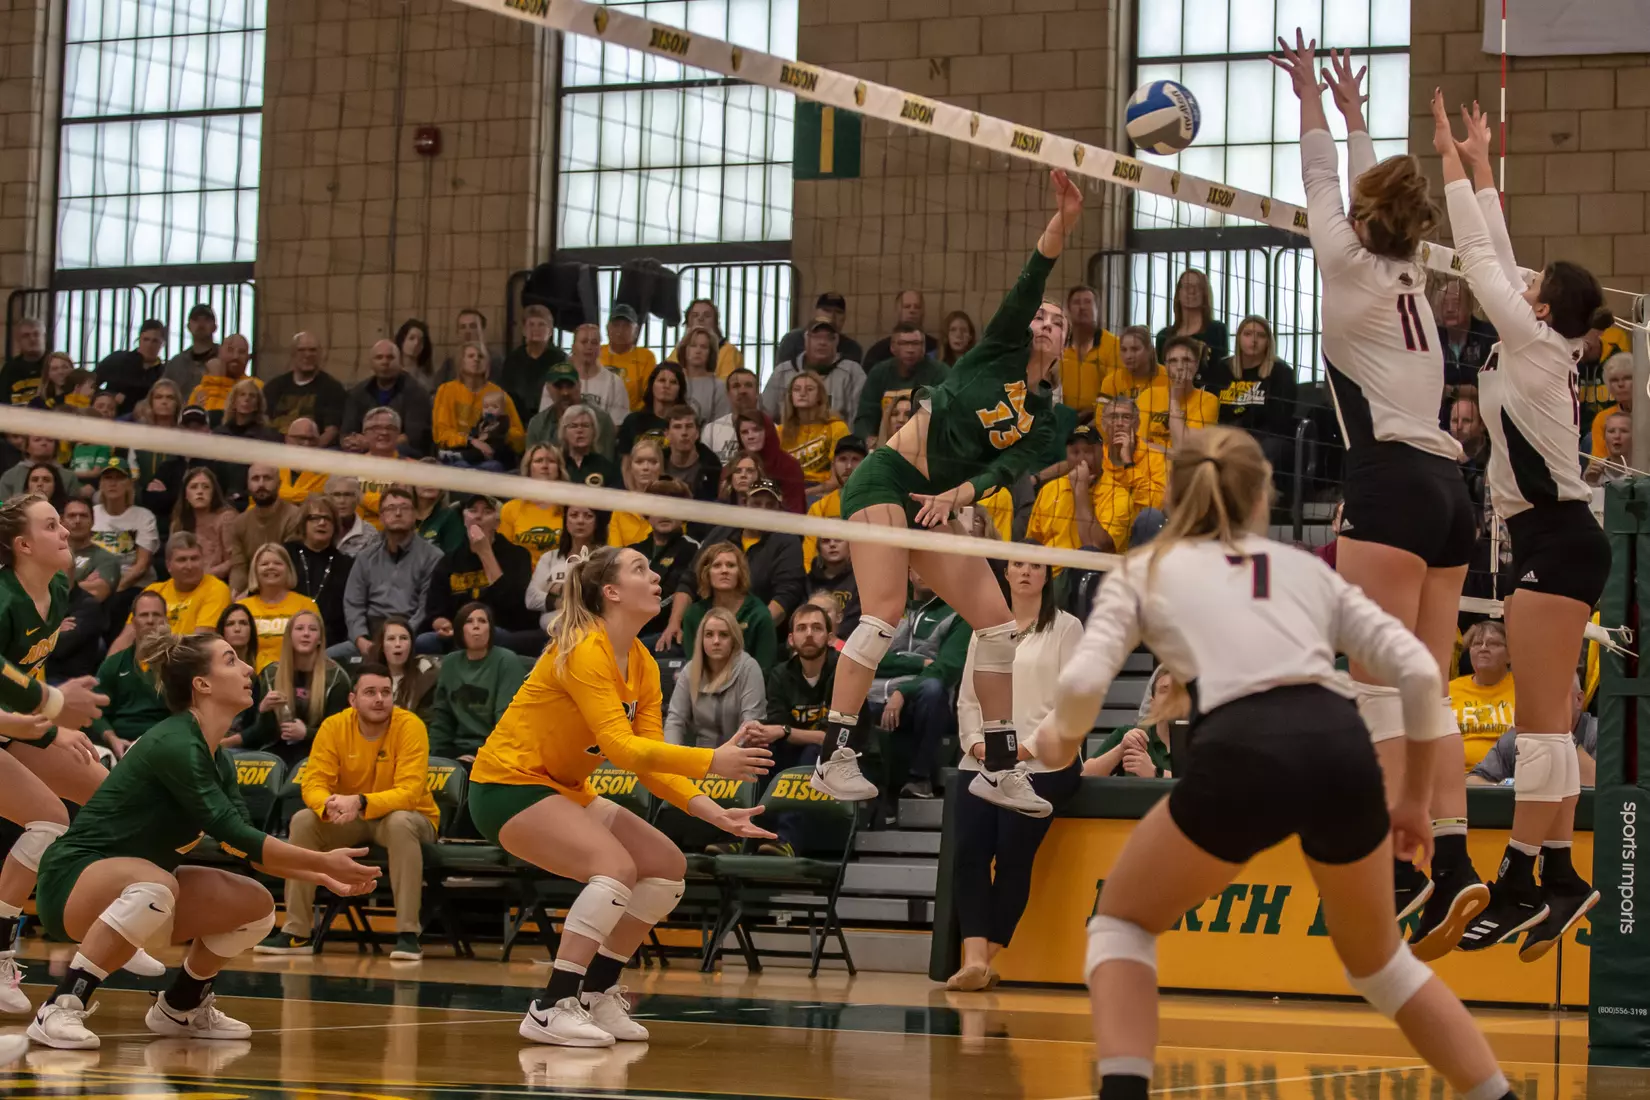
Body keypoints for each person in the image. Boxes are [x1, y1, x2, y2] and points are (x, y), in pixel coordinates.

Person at [1026, 424, 1520, 1100]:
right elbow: (1416, 668)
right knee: (1380, 964)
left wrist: (1050, 746)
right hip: (1340, 745)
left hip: (1244, 745)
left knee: (1122, 922)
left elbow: (1083, 688)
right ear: (1263, 498)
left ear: (1173, 497)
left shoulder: (1146, 569)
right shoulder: (1301, 568)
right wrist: (1409, 800)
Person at [1276, 35, 1482, 948]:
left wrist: (1315, 107)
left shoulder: (1348, 265)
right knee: (1427, 688)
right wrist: (1358, 117)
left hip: (1392, 488)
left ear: (1366, 221)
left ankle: (1402, 863)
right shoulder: (1410, 268)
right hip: (1450, 491)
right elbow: (1361, 189)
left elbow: (1327, 185)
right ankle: (1458, 862)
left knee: (1379, 689)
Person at [813, 170, 1080, 806]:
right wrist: (1065, 219)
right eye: (1041, 316)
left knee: (995, 626)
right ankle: (834, 754)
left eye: (1057, 322)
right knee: (882, 612)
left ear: (1067, 345)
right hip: (888, 477)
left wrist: (956, 500)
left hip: (936, 501)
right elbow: (1030, 277)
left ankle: (999, 765)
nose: (1044, 320)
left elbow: (1001, 474)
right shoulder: (997, 350)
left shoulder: (1046, 422)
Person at [1433, 92, 1613, 956]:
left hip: (1555, 539)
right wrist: (1481, 160)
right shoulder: (1549, 339)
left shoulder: (1535, 346)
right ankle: (1554, 879)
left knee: (1543, 727)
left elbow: (1476, 258)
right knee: (1546, 723)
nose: (1524, 283)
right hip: (1554, 540)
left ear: (1545, 310)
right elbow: (1500, 257)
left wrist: (1445, 162)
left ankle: (1521, 878)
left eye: (1535, 286)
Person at [466, 544, 775, 1046]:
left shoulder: (644, 662)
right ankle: (550, 1005)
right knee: (616, 868)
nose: (656, 576)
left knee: (666, 868)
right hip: (505, 786)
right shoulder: (584, 648)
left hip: (562, 787)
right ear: (611, 592)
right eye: (641, 569)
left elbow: (649, 762)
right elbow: (620, 749)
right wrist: (711, 762)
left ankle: (596, 995)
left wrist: (716, 813)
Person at [25, 630, 379, 1050]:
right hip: (71, 882)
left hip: (143, 893)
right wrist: (321, 862)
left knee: (256, 907)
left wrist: (322, 875)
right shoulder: (175, 742)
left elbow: (247, 848)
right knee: (158, 883)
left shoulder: (218, 758)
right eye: (231, 660)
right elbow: (233, 832)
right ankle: (60, 1006)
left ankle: (181, 1006)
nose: (248, 669)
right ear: (202, 684)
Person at [0, 495, 149, 1016]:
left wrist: (49, 728)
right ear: (22, 545)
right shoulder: (2, 599)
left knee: (115, 800)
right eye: (51, 525)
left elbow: (28, 676)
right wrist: (51, 713)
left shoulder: (59, 587)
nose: (66, 531)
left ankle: (116, 925)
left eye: (63, 521)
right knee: (48, 819)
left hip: (15, 722)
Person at [947, 551, 1084, 990]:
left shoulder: (1067, 628)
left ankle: (983, 960)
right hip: (983, 758)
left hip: (1045, 761)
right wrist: (976, 743)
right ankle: (973, 957)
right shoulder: (984, 628)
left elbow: (1072, 702)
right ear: (1005, 572)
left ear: (1048, 574)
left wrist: (1022, 750)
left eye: (1036, 565)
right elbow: (968, 697)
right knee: (968, 851)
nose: (1026, 572)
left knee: (1011, 854)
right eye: (1019, 565)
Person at [255, 664, 439, 961]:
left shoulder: (410, 725)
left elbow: (410, 791)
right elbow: (313, 782)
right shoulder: (333, 727)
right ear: (353, 700)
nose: (380, 699)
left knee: (399, 822)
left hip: (412, 817)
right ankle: (296, 932)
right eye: (370, 692)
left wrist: (361, 802)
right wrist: (328, 805)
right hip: (352, 819)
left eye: (385, 692)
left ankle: (408, 934)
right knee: (304, 820)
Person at [736, 603, 850, 855]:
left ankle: (786, 840)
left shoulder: (845, 673)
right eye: (801, 628)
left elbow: (833, 737)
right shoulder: (779, 674)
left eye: (817, 628)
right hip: (797, 754)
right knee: (760, 751)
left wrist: (785, 732)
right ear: (790, 639)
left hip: (847, 760)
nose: (809, 634)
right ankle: (744, 834)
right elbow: (775, 729)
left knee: (813, 751)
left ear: (830, 638)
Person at [661, 481, 804, 651]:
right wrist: (674, 623)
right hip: (706, 629)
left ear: (779, 510)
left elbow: (786, 596)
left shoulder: (788, 542)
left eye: (770, 505)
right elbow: (690, 580)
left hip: (756, 637)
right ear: (744, 505)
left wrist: (749, 632)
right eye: (756, 504)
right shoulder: (722, 532)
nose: (763, 510)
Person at [875, 572, 969, 801]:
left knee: (933, 689)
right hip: (875, 694)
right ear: (907, 570)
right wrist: (919, 662)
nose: (925, 571)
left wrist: (902, 692)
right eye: (918, 565)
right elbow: (867, 656)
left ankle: (919, 779)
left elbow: (947, 668)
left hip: (922, 700)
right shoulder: (887, 606)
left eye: (931, 565)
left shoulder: (958, 614)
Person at [422, 495, 539, 655]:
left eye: (487, 511)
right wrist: (442, 624)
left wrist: (485, 553)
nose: (478, 516)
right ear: (464, 520)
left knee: (491, 636)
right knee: (422, 643)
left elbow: (515, 606)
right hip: (459, 632)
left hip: (503, 629)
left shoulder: (517, 555)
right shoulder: (449, 562)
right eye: (473, 510)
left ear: (497, 523)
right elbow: (435, 610)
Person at [238, 608, 352, 766]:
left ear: (320, 639)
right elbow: (263, 735)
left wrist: (307, 733)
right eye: (299, 629)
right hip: (275, 754)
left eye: (312, 629)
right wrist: (264, 711)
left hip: (319, 754)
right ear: (289, 637)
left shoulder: (336, 678)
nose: (306, 634)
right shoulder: (271, 674)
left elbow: (341, 733)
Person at [1469, 674, 1596, 789]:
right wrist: (1506, 788)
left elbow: (1600, 789)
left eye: (1555, 694)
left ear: (1578, 700)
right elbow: (1472, 781)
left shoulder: (1599, 734)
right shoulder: (1518, 736)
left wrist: (1561, 736)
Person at [664, 608, 766, 748]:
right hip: (701, 756)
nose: (716, 641)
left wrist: (724, 756)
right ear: (701, 639)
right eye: (709, 635)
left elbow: (751, 723)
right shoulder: (690, 671)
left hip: (741, 753)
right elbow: (675, 720)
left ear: (733, 640)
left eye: (724, 635)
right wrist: (673, 754)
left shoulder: (749, 668)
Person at [88, 590, 172, 759]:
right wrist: (112, 739)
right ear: (133, 622)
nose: (150, 620)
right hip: (118, 745)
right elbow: (95, 711)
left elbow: (189, 713)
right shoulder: (114, 664)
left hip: (164, 744)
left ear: (165, 621)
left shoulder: (180, 664)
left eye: (156, 615)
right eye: (144, 615)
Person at [111, 532, 232, 649]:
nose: (189, 566)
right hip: (145, 664)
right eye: (182, 560)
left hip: (185, 664)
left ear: (203, 561)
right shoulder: (154, 591)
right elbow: (126, 638)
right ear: (169, 565)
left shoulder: (216, 589)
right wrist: (106, 668)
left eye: (194, 559)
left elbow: (199, 642)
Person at [677, 542, 780, 671]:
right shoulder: (694, 614)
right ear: (706, 572)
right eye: (717, 565)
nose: (724, 570)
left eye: (731, 565)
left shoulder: (759, 614)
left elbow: (765, 669)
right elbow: (694, 667)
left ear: (740, 572)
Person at [51, 497, 119, 679]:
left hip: (85, 634)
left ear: (93, 520)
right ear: (61, 520)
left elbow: (98, 592)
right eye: (72, 515)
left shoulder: (106, 558)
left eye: (83, 515)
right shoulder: (47, 553)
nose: (77, 520)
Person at [91, 456, 161, 635]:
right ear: (100, 483)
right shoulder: (90, 514)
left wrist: (110, 589)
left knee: (117, 604)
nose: (113, 483)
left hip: (131, 585)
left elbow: (141, 566)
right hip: (95, 583)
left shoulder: (144, 517)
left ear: (129, 484)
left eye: (119, 478)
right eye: (108, 478)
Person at [1212, 316, 1299, 459]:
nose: (1254, 340)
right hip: (1226, 435)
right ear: (1238, 338)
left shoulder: (1281, 372)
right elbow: (1213, 408)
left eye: (1261, 335)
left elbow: (1279, 420)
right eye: (1247, 334)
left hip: (1265, 438)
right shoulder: (1222, 369)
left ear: (1268, 342)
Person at [1083, 666, 1184, 779]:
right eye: (1164, 690)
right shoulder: (1127, 734)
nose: (1170, 697)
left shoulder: (1198, 743)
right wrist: (1121, 749)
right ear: (1152, 703)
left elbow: (1202, 787)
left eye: (1177, 692)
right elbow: (1084, 775)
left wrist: (1154, 773)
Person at [763, 314, 865, 424]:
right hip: (791, 438)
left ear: (836, 341)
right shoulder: (782, 372)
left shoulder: (852, 372)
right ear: (806, 339)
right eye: (816, 337)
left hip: (835, 438)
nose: (822, 342)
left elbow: (859, 419)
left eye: (829, 338)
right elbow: (765, 416)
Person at [628, 481, 699, 637]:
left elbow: (676, 594)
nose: (665, 514)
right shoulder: (631, 551)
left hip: (668, 633)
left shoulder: (692, 549)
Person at [433, 342, 526, 462]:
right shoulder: (446, 391)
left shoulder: (500, 395)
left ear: (488, 363)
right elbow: (441, 433)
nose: (476, 359)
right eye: (471, 356)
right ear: (461, 362)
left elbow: (519, 440)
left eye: (481, 356)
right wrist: (470, 441)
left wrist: (499, 432)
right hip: (457, 453)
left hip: (491, 456)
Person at [853, 323, 948, 439]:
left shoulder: (940, 373)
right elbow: (865, 417)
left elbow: (945, 418)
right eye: (904, 343)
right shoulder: (879, 373)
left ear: (924, 347)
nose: (910, 350)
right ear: (892, 347)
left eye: (916, 344)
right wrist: (868, 439)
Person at [341, 339, 433, 456]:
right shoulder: (358, 393)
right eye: (379, 357)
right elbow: (347, 433)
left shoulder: (416, 392)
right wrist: (351, 442)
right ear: (371, 363)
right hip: (364, 452)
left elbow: (414, 437)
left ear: (400, 362)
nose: (385, 362)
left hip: (403, 453)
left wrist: (371, 443)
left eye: (390, 357)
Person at [241, 543, 322, 672]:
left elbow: (317, 648)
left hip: (294, 675)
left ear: (288, 569)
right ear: (255, 570)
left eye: (277, 563)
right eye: (264, 564)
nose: (271, 567)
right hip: (251, 677)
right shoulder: (242, 607)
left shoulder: (306, 605)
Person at [1448, 620, 1517, 773]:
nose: (1483, 648)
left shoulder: (1523, 690)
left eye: (1493, 644)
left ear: (1509, 656)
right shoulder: (1450, 690)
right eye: (1477, 644)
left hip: (1508, 780)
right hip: (1456, 778)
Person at [286, 496, 355, 648]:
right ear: (303, 523)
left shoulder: (346, 563)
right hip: (288, 633)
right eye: (314, 518)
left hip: (332, 639)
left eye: (327, 518)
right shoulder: (286, 555)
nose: (322, 523)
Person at [529, 506, 610, 629]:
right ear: (566, 521)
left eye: (588, 516)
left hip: (592, 629)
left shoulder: (606, 558)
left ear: (597, 522)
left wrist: (557, 589)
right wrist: (560, 602)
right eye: (574, 515)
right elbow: (531, 598)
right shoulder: (550, 557)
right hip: (550, 633)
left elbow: (600, 599)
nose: (580, 521)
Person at [263, 332, 348, 445]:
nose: (307, 354)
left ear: (320, 354)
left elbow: (331, 431)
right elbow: (263, 422)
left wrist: (310, 454)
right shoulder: (274, 386)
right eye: (301, 350)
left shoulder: (332, 388)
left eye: (312, 350)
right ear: (292, 353)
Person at [1136, 336, 1219, 451]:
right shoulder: (1148, 395)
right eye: (1173, 361)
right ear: (1165, 366)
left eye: (1186, 360)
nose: (1180, 367)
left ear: (1196, 364)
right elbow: (1138, 446)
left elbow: (1185, 449)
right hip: (1148, 467)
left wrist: (1174, 400)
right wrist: (1172, 452)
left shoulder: (1208, 400)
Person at [228, 465, 301, 593]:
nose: (261, 484)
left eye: (267, 478)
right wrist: (235, 595)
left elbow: (291, 567)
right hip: (251, 593)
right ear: (248, 485)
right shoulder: (239, 522)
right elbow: (239, 567)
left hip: (287, 591)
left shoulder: (295, 516)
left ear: (279, 484)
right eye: (255, 479)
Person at [525, 362, 618, 458]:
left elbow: (607, 463)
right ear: (548, 388)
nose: (565, 392)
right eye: (558, 387)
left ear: (579, 385)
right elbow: (530, 465)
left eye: (570, 386)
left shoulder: (601, 420)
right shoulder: (538, 424)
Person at [802, 435, 869, 569]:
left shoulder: (878, 504)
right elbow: (808, 560)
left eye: (855, 459)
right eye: (842, 459)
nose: (848, 466)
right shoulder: (819, 508)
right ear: (833, 465)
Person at [779, 371, 851, 488]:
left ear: (819, 396)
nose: (802, 393)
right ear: (790, 397)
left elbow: (838, 479)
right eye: (797, 389)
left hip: (822, 489)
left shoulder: (836, 427)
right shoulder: (781, 431)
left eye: (809, 389)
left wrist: (806, 493)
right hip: (788, 488)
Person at [500, 444, 567, 569]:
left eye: (551, 461)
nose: (545, 466)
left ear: (559, 469)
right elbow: (504, 554)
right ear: (529, 468)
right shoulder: (510, 509)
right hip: (523, 579)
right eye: (538, 461)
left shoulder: (570, 509)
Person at [500, 304, 568, 426]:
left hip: (550, 422)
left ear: (551, 331)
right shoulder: (513, 359)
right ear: (524, 330)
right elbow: (506, 393)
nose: (535, 329)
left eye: (541, 324)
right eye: (531, 324)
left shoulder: (560, 360)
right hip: (516, 421)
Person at [170, 466, 237, 582]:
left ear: (213, 493)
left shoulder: (226, 518)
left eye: (206, 487)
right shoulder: (178, 522)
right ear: (186, 495)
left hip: (219, 584)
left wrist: (203, 576)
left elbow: (234, 561)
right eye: (194, 487)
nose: (200, 491)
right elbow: (173, 561)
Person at [1059, 288, 1119, 415]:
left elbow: (1116, 389)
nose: (1082, 307)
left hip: (1103, 416)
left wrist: (1093, 411)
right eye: (1076, 302)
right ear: (1068, 311)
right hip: (1063, 418)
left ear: (1098, 310)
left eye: (1087, 302)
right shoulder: (1058, 345)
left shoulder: (1114, 344)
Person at [1434, 277, 1499, 394]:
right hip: (1438, 408)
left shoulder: (1488, 335)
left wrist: (1452, 391)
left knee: (1464, 408)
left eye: (1456, 303)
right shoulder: (1432, 336)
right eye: (1444, 304)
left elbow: (1490, 387)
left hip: (1478, 408)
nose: (1449, 309)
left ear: (1469, 307)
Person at [1153, 269, 1229, 369]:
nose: (1192, 291)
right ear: (1178, 293)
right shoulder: (1163, 336)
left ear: (1205, 293)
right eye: (1187, 286)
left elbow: (1221, 373)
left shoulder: (1218, 330)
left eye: (1198, 287)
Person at [366, 616, 441, 714]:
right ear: (382, 646)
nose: (397, 644)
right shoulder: (368, 676)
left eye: (403, 638)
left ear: (411, 645)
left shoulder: (425, 673)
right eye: (391, 638)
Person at [94, 319, 166, 412]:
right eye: (146, 339)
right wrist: (110, 395)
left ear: (162, 343)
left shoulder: (164, 372)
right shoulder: (117, 360)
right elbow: (90, 384)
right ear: (139, 339)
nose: (149, 345)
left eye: (155, 341)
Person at [617, 363, 687, 457]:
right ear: (652, 385)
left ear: (680, 389)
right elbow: (624, 461)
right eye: (662, 380)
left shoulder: (684, 424)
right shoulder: (633, 421)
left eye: (673, 382)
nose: (666, 386)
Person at [569, 323, 631, 428]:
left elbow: (617, 426)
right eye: (584, 342)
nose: (589, 347)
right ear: (573, 347)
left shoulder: (614, 383)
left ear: (600, 349)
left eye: (594, 343)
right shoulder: (558, 380)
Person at [776, 291, 864, 365]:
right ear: (815, 313)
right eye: (827, 310)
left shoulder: (852, 348)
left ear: (844, 318)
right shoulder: (792, 341)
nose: (832, 316)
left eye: (838, 312)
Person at [670, 326, 733, 424]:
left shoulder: (719, 387)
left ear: (710, 353)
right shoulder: (672, 381)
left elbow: (721, 426)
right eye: (693, 345)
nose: (698, 351)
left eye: (704, 347)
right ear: (684, 350)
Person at [601, 303, 658, 412]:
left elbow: (650, 395)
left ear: (636, 331)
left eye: (626, 325)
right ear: (607, 329)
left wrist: (631, 418)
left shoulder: (646, 357)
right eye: (616, 325)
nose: (620, 330)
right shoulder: (596, 352)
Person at [701, 367, 765, 463]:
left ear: (757, 393)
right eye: (736, 386)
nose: (742, 391)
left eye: (748, 385)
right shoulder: (711, 430)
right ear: (728, 393)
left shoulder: (771, 429)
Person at [609, 438, 664, 548]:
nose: (646, 467)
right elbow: (614, 554)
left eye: (653, 462)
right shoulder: (620, 509)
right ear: (631, 468)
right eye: (639, 462)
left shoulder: (672, 504)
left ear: (661, 468)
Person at [661, 404, 722, 501]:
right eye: (677, 427)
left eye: (689, 426)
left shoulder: (712, 469)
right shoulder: (658, 464)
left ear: (697, 433)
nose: (684, 432)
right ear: (667, 434)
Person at [863, 290, 939, 366]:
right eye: (906, 307)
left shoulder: (936, 348)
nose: (912, 310)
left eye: (917, 307)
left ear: (923, 312)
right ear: (897, 311)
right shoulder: (879, 352)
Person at [806, 535, 860, 640]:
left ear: (850, 544)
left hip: (850, 645)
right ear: (818, 548)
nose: (832, 544)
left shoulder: (860, 579)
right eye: (825, 541)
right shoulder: (808, 581)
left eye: (838, 539)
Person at [559, 404, 625, 489]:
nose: (580, 430)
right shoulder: (557, 464)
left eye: (585, 425)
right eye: (574, 426)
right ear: (564, 432)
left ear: (594, 431)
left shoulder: (606, 467)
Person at [1101, 326, 1163, 403]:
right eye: (1124, 350)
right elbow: (1100, 414)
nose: (1128, 356)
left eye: (1135, 349)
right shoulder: (1110, 382)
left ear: (1150, 350)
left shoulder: (1169, 378)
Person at [276, 416, 329, 505]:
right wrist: (308, 496)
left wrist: (282, 495)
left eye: (312, 440)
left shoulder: (327, 469)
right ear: (287, 439)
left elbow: (324, 500)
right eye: (301, 438)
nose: (306, 444)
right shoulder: (271, 464)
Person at [327, 478, 381, 559]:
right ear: (328, 498)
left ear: (357, 498)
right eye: (337, 495)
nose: (342, 501)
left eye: (348, 495)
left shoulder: (370, 534)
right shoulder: (320, 527)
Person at [413, 473, 465, 556]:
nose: (429, 483)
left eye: (434, 479)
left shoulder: (449, 516)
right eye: (423, 479)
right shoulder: (402, 514)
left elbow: (453, 558)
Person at [1590, 358, 1633, 456]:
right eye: (1614, 380)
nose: (1621, 384)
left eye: (1627, 378)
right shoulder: (1602, 419)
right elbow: (1599, 463)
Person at [0, 317, 48, 405]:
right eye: (26, 335)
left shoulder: (56, 365)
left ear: (44, 337)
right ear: (18, 340)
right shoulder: (9, 369)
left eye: (36, 334)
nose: (32, 339)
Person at [1586, 411, 1632, 486]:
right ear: (1604, 436)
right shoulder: (1593, 471)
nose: (1617, 436)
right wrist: (1591, 483)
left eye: (1624, 431)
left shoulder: (1644, 471)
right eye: (1611, 431)